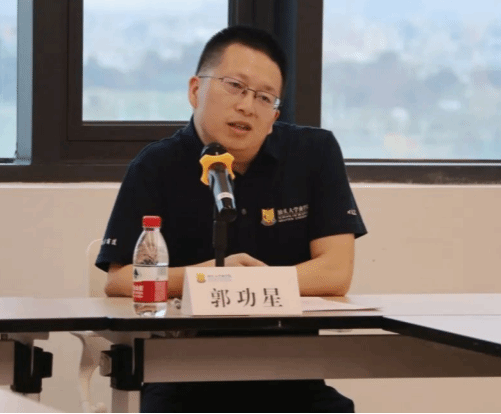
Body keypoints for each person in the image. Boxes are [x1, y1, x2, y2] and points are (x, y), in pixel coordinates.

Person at [96, 25, 367, 413]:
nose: (247, 106)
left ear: (274, 115)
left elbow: (336, 271)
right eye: (235, 86)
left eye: (264, 97)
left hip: (292, 377)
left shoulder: (313, 154)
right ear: (195, 90)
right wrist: (209, 277)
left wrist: (252, 284)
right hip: (182, 377)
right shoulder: (156, 165)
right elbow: (121, 279)